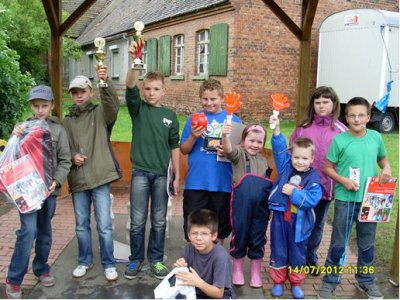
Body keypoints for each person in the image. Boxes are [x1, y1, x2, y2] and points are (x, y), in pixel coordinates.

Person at [319, 97, 391, 299]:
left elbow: (382, 158)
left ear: (368, 117)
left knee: (367, 243)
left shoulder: (376, 137)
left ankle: (366, 281)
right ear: (346, 117)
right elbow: (327, 168)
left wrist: (387, 167)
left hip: (371, 199)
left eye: (361, 115)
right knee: (339, 243)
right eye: (352, 115)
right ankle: (330, 281)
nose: (357, 119)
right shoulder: (339, 140)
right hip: (345, 199)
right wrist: (343, 180)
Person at [6, 85, 71, 299]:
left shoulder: (58, 129)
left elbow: (65, 160)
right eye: (36, 106)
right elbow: (14, 156)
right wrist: (15, 134)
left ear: (51, 106)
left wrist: (57, 181)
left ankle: (41, 268)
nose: (40, 110)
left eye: (44, 106)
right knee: (27, 232)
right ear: (31, 106)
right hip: (27, 191)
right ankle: (14, 279)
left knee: (44, 231)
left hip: (49, 191)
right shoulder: (23, 128)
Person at [124, 42, 180, 280]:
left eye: (156, 89)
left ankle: (156, 260)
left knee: (158, 221)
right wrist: (134, 64)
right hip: (140, 173)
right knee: (137, 221)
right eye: (147, 88)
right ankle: (136, 260)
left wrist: (178, 176)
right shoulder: (138, 109)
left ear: (163, 91)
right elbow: (129, 84)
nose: (150, 93)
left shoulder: (170, 116)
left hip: (161, 176)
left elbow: (174, 146)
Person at [62, 66, 121, 281]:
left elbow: (113, 106)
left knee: (104, 225)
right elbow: (63, 149)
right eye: (75, 93)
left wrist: (105, 83)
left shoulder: (100, 112)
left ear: (90, 92)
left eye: (83, 92)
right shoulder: (66, 121)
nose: (79, 96)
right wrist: (72, 157)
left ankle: (109, 263)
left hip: (100, 178)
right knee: (81, 225)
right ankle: (84, 260)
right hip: (78, 180)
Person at [289, 86, 346, 275]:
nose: (321, 106)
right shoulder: (303, 128)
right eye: (317, 102)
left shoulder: (341, 131)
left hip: (325, 190)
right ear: (312, 105)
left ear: (334, 104)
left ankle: (310, 258)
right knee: (297, 222)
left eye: (325, 102)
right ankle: (293, 258)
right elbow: (291, 153)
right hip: (300, 188)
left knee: (316, 226)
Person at [268, 113, 323, 299]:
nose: (299, 161)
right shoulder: (286, 167)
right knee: (279, 248)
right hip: (280, 219)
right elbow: (280, 150)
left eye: (304, 158)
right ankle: (277, 280)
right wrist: (276, 130)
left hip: (300, 223)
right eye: (296, 157)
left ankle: (296, 282)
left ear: (312, 159)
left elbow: (313, 199)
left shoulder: (314, 177)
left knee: (298, 252)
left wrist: (295, 193)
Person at [180, 79, 241, 243]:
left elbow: (239, 154)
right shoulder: (193, 119)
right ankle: (194, 261)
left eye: (213, 99)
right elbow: (184, 149)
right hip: (196, 182)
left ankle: (216, 262)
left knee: (219, 229)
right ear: (200, 98)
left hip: (222, 182)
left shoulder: (233, 119)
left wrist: (228, 150)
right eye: (205, 99)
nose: (209, 103)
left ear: (222, 98)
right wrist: (193, 136)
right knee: (193, 225)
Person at [221, 123, 273, 287]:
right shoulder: (239, 155)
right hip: (241, 205)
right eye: (251, 140)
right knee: (240, 234)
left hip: (261, 207)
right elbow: (229, 149)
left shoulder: (264, 161)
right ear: (243, 141)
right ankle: (237, 268)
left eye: (259, 142)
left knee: (258, 236)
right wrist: (224, 136)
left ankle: (255, 270)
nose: (255, 145)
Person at [174, 209, 233, 299]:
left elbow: (219, 293)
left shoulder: (220, 257)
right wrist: (180, 266)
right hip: (196, 291)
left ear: (214, 236)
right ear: (189, 235)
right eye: (194, 233)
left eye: (204, 233)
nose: (198, 238)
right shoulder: (189, 248)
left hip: (219, 295)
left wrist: (198, 282)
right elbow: (180, 274)